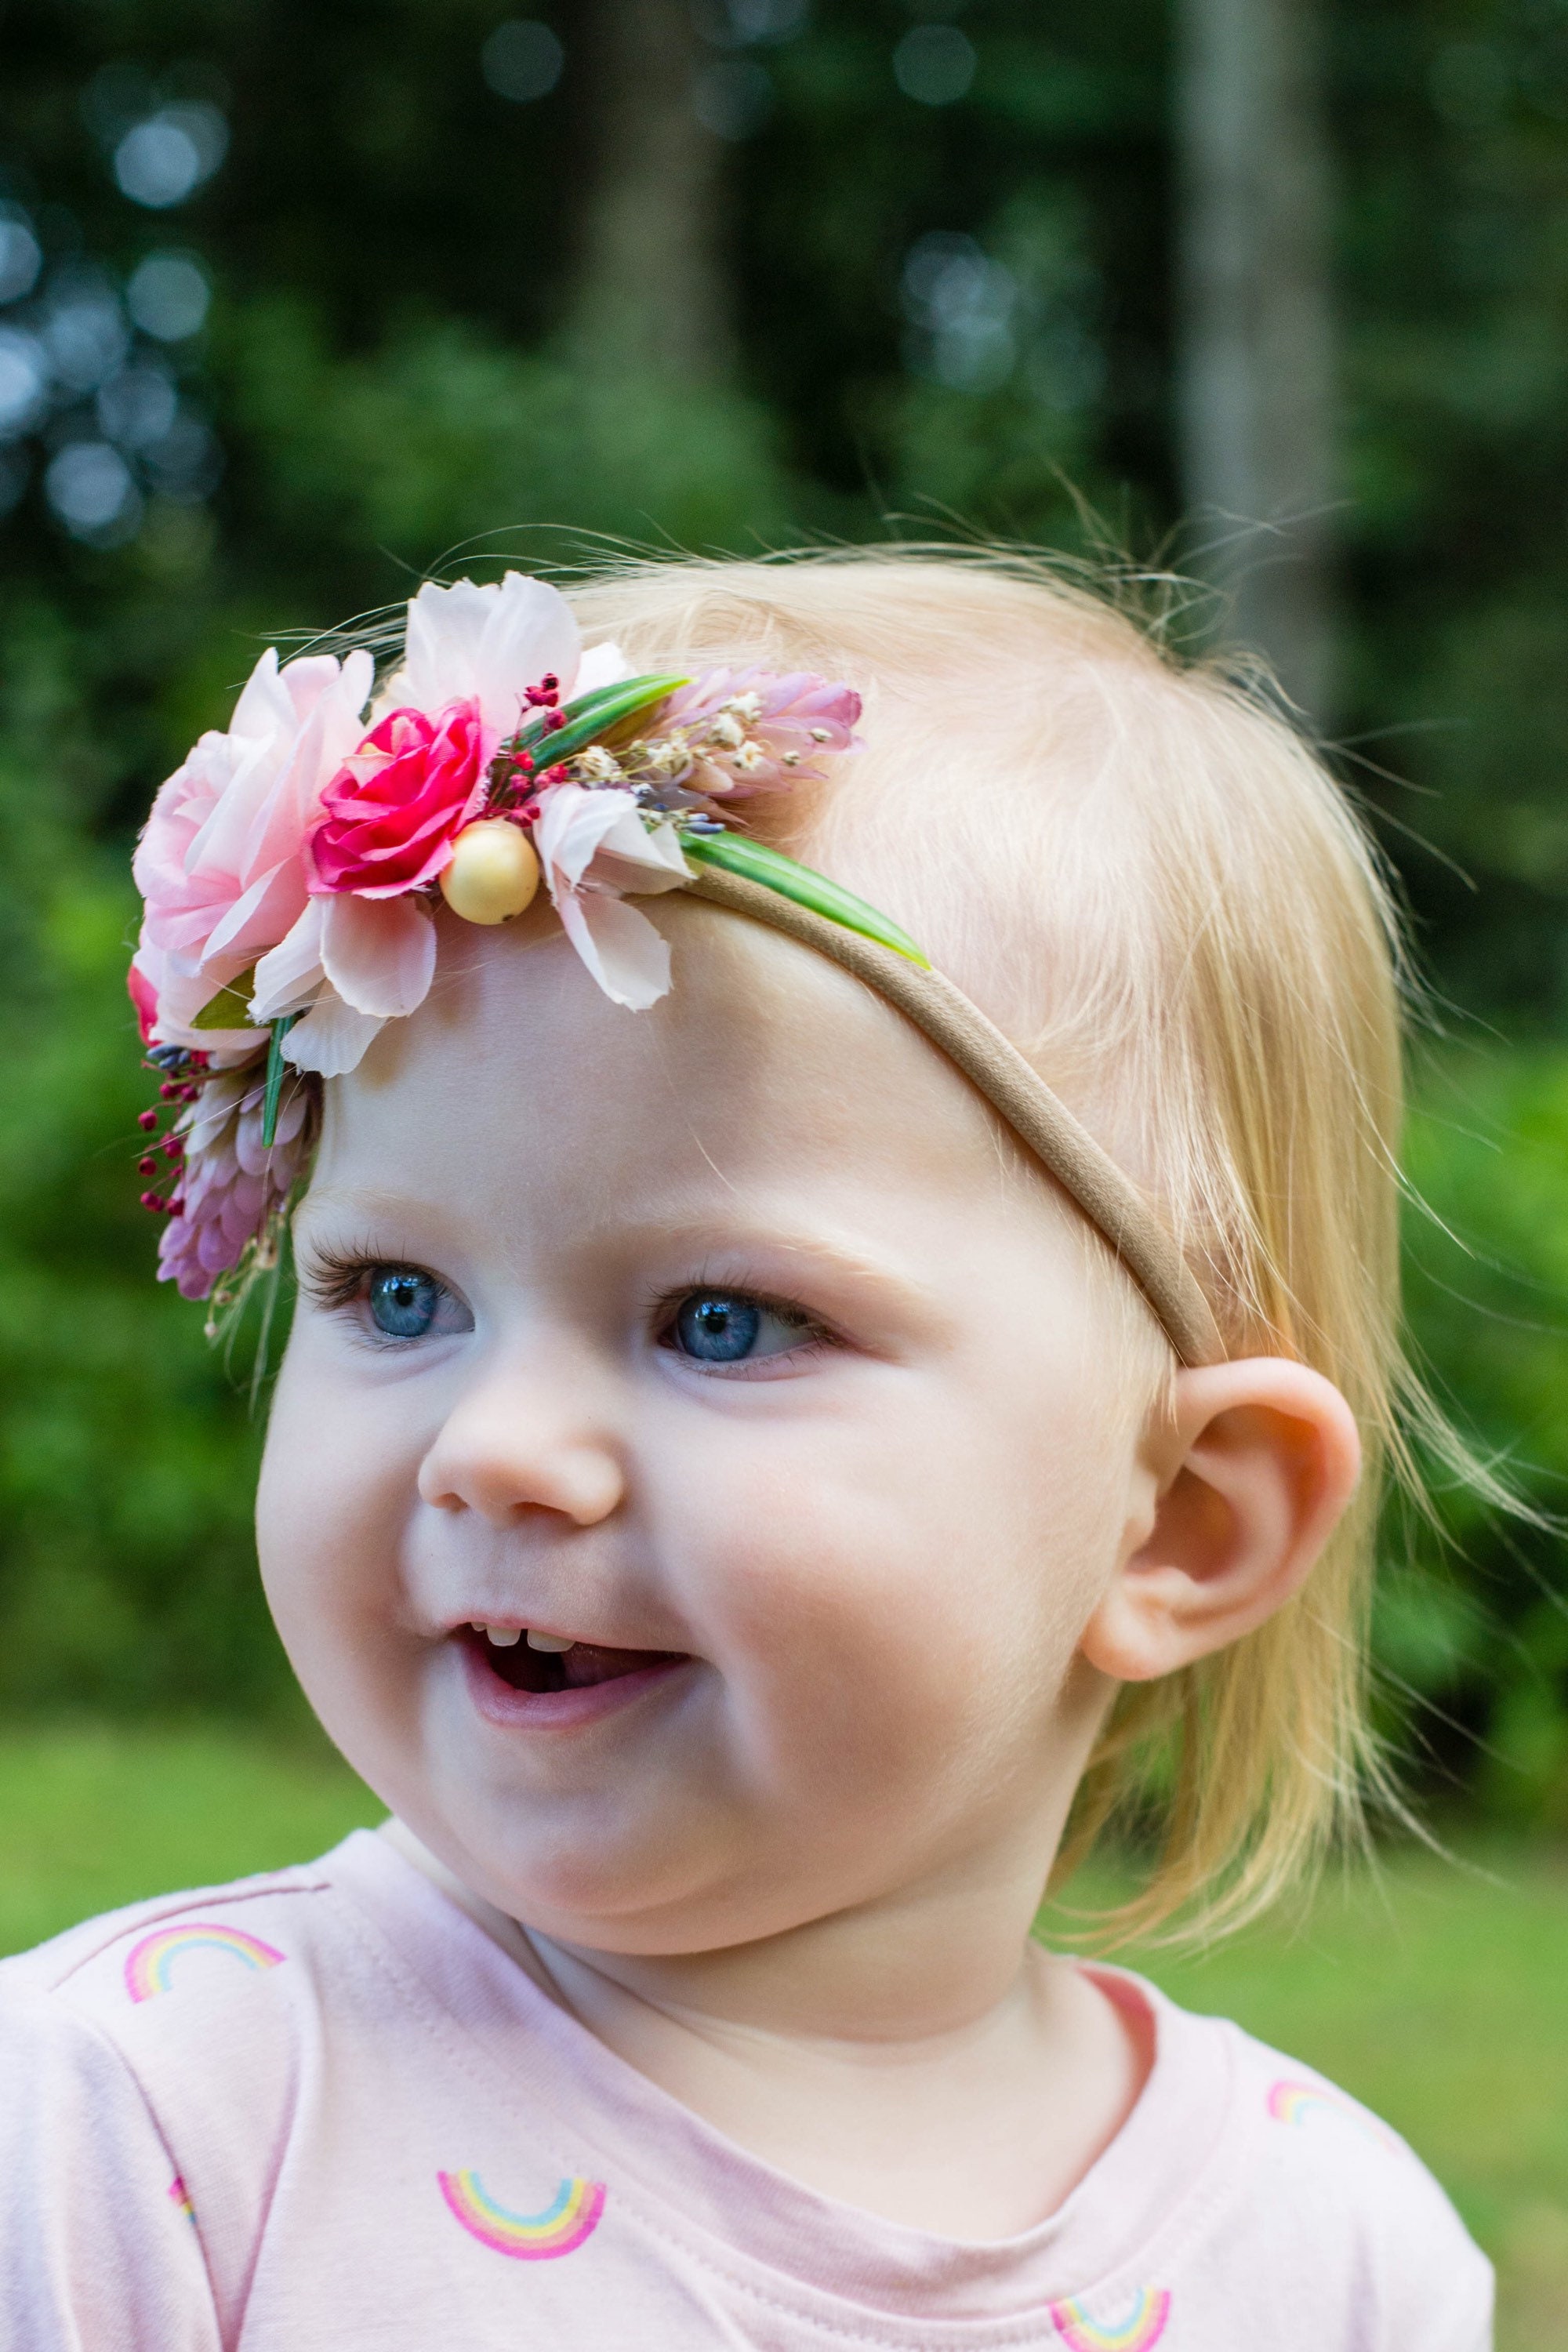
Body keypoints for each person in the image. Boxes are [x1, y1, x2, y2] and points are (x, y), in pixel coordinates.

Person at [0, 552, 1493, 2349]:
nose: (498, 1450)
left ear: (1175, 1519)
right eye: (398, 1294)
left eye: (723, 1319)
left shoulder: (1335, 2262)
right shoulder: (134, 2136)